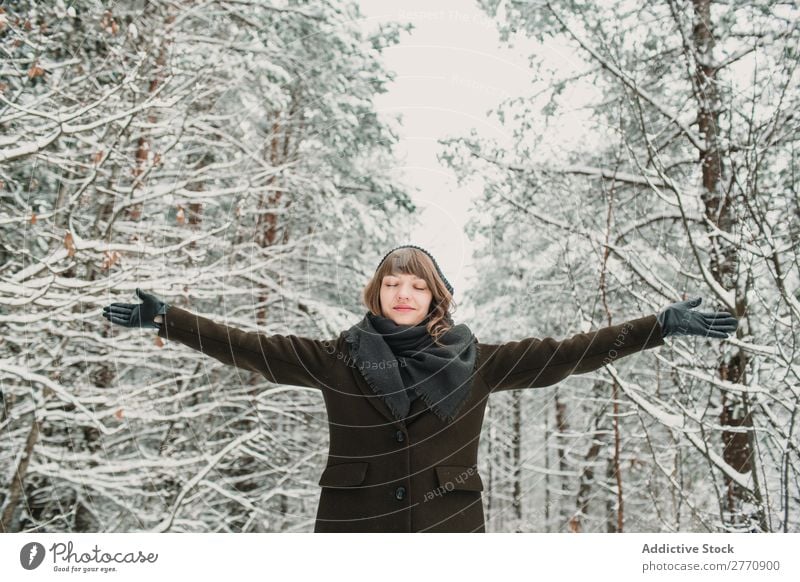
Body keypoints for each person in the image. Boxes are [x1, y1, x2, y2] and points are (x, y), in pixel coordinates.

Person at [102, 244, 738, 532]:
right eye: (392, 284)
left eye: (416, 285)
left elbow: (568, 355)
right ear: (376, 294)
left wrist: (657, 327)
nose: (403, 294)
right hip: (353, 536)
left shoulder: (480, 363)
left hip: (448, 535)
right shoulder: (336, 359)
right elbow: (253, 349)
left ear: (436, 297)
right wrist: (169, 320)